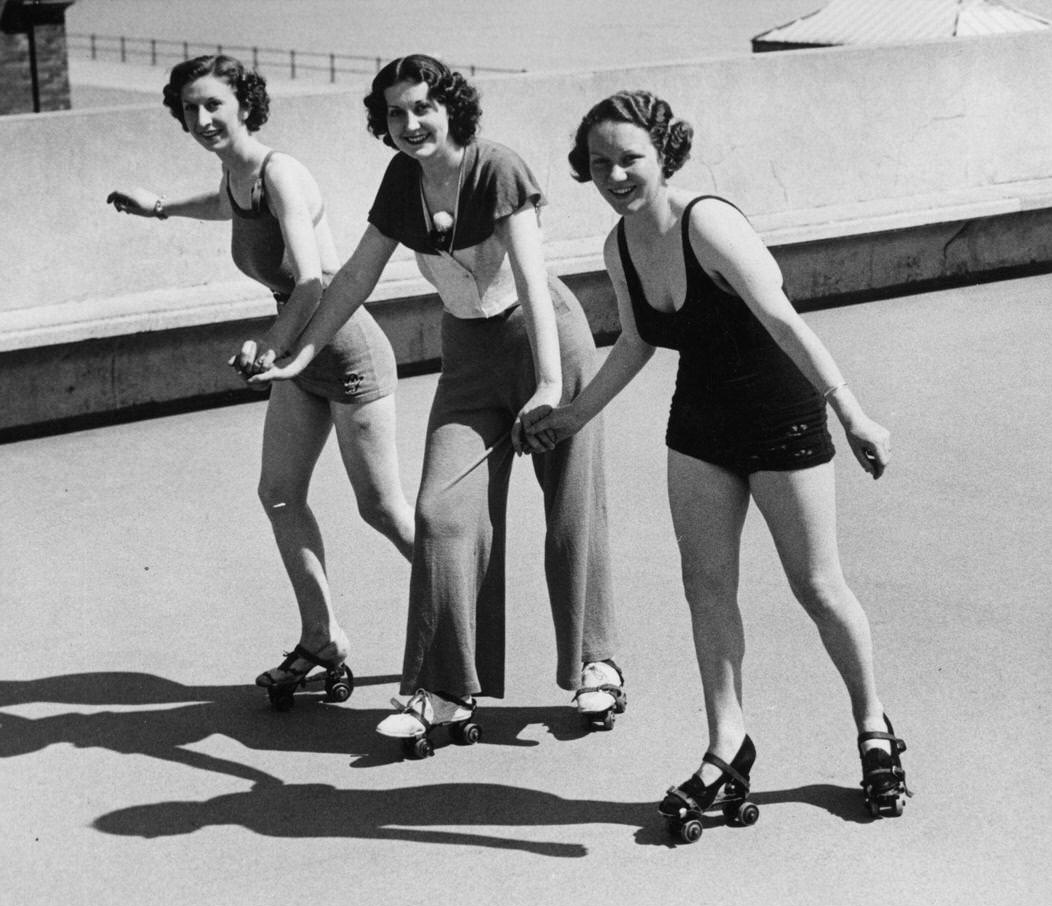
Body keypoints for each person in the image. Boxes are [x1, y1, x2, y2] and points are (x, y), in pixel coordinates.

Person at [522, 90, 911, 829]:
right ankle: (728, 745)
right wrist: (570, 415)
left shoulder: (710, 223)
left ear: (663, 154)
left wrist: (851, 411)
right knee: (706, 587)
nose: (615, 175)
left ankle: (874, 728)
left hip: (779, 415)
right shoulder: (619, 245)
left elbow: (783, 319)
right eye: (599, 162)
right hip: (699, 423)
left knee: (819, 587)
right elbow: (637, 342)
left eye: (629, 158)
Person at [249, 54, 625, 749]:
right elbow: (355, 277)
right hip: (471, 360)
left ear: (451, 106)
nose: (411, 123)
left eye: (422, 106)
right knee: (441, 510)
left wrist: (549, 383)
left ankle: (594, 663)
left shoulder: (498, 168)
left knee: (570, 508)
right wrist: (299, 351)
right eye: (395, 112)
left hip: (548, 343)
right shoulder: (402, 181)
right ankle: (446, 690)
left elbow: (534, 283)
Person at [107, 55, 414, 702]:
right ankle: (322, 638)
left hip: (344, 346)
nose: (202, 118)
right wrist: (158, 206)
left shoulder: (282, 174)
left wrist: (269, 345)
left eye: (214, 104)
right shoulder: (238, 176)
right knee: (279, 494)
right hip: (298, 351)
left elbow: (311, 282)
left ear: (244, 103)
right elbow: (225, 205)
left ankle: (467, 609)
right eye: (190, 108)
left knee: (381, 507)